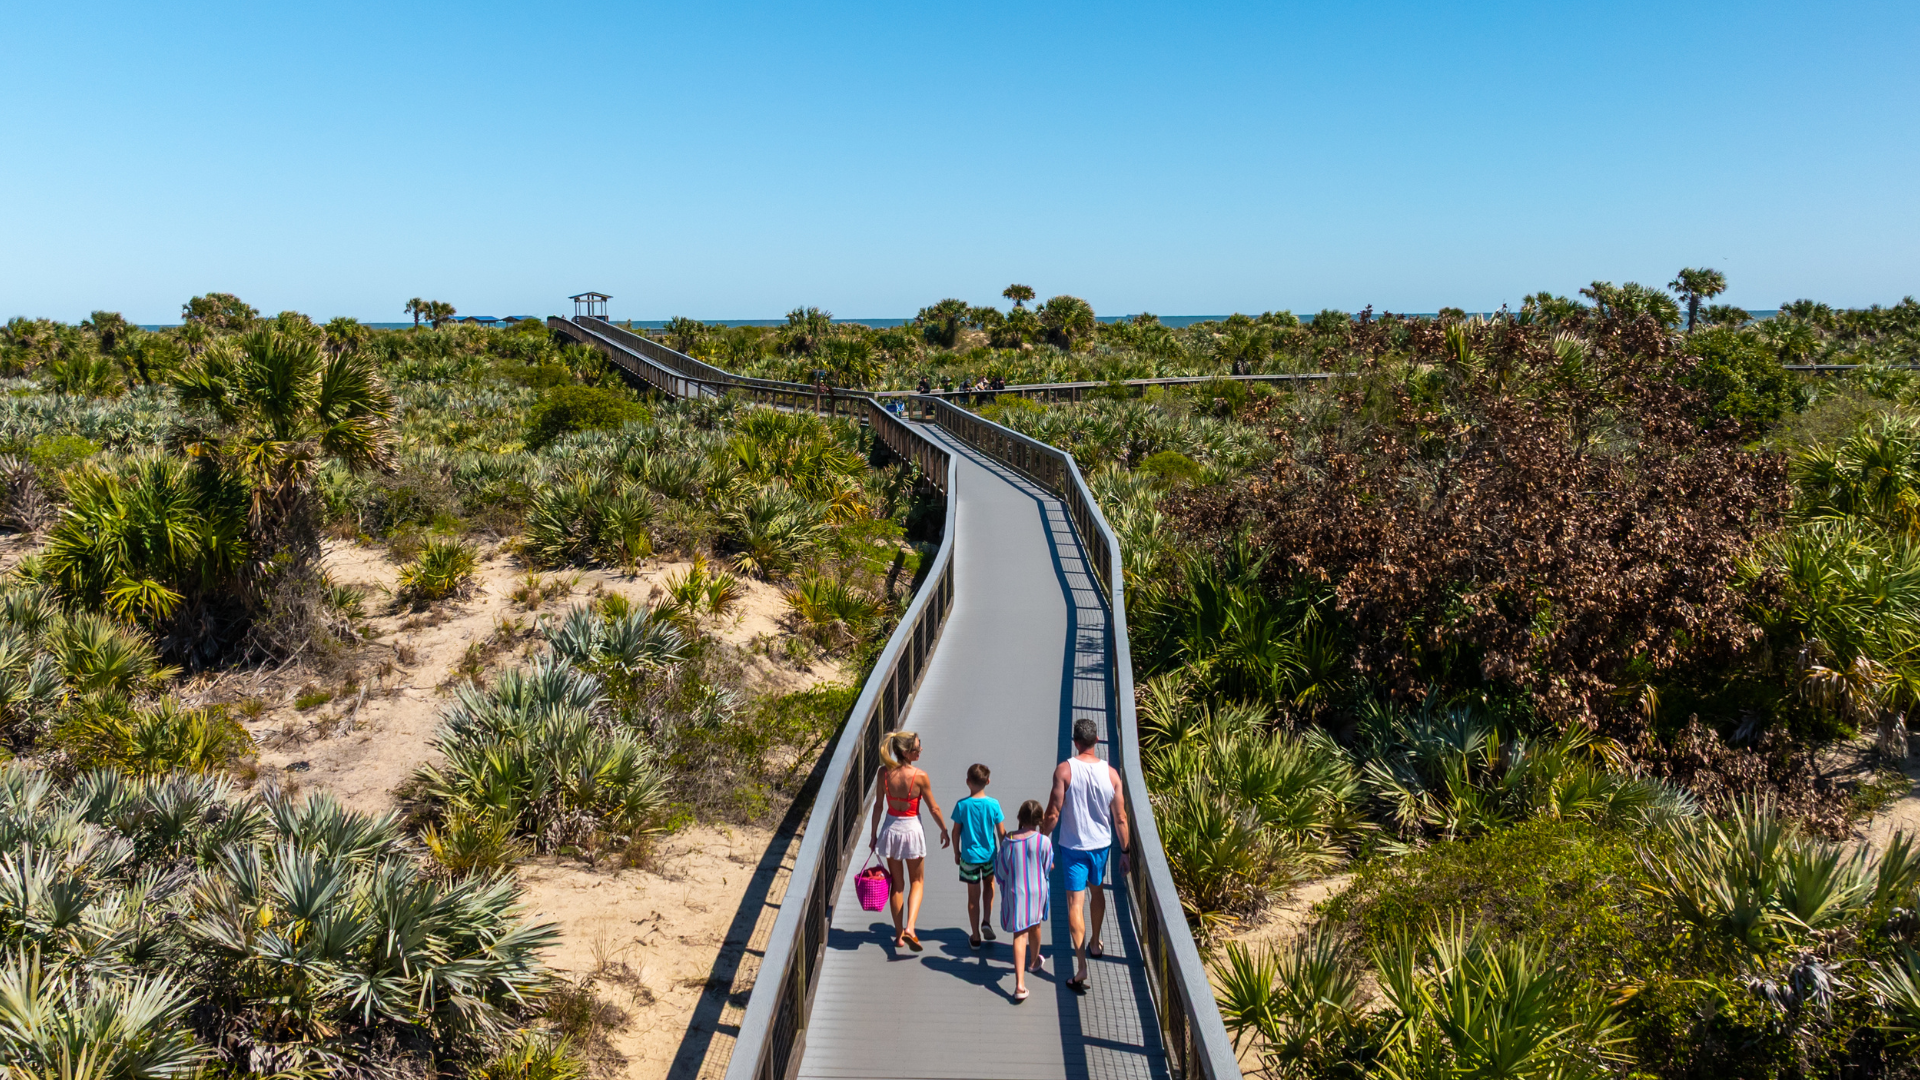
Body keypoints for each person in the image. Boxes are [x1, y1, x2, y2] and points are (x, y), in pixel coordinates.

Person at [1042, 716, 1130, 994]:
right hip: (1101, 846)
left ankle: (1080, 965)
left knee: (1074, 904)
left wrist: (1043, 839)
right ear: (1098, 741)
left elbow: (1054, 812)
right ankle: (1095, 942)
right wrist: (1125, 851)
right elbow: (1120, 818)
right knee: (1098, 892)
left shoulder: (1064, 771)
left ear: (1075, 742)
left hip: (1072, 846)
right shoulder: (1112, 774)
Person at [869, 730, 947, 951]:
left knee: (897, 884)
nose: (920, 750)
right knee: (918, 881)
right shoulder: (920, 776)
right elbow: (934, 808)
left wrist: (874, 835)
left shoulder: (883, 773)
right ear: (905, 751)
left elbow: (878, 806)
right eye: (917, 748)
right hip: (912, 829)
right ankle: (911, 928)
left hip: (891, 830)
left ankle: (898, 935)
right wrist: (944, 829)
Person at [995, 799, 1052, 1003]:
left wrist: (1004, 882)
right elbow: (1047, 867)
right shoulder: (1044, 841)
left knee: (1020, 935)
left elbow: (1001, 871)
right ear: (1040, 820)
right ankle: (1034, 961)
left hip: (1016, 892)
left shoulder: (1009, 841)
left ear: (1019, 817)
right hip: (1037, 891)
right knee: (1035, 926)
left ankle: (1020, 985)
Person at [949, 763, 1006, 949]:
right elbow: (1002, 833)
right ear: (988, 781)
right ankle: (986, 921)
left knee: (973, 898)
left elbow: (955, 832)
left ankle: (975, 937)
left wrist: (957, 852)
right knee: (989, 885)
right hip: (989, 856)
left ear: (967, 782)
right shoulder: (994, 804)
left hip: (969, 858)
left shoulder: (962, 805)